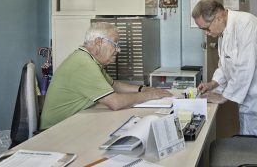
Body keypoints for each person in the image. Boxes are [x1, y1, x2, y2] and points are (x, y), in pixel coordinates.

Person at [192, 0, 257, 166]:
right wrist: (213, 83)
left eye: (205, 27)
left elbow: (244, 68)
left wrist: (223, 97)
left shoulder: (246, 25)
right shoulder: (225, 32)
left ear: (218, 17)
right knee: (254, 138)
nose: (205, 32)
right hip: (255, 92)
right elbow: (226, 64)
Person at [40, 22, 172, 130]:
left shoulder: (88, 59)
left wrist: (142, 89)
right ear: (98, 43)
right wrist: (150, 95)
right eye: (115, 44)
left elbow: (113, 85)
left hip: (75, 121)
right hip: (55, 130)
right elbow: (115, 102)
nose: (118, 49)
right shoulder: (83, 64)